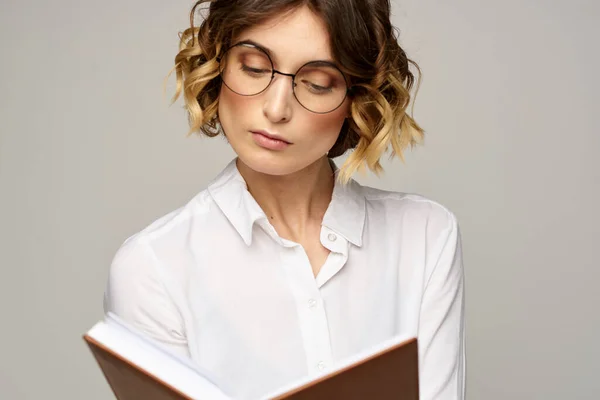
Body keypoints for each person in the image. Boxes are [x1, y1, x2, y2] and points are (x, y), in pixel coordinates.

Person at [103, 0, 465, 399]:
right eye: (254, 67)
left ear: (356, 99)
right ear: (219, 65)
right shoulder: (153, 268)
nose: (276, 109)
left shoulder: (425, 237)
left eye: (317, 83)